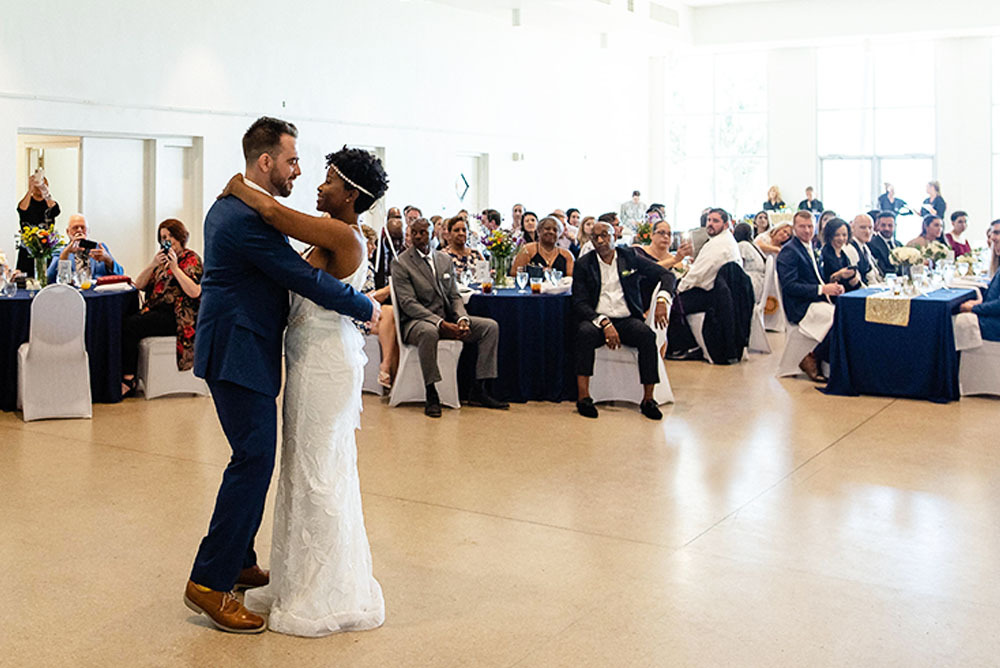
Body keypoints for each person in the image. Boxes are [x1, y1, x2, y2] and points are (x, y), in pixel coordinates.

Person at [185, 118, 379, 636]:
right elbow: (301, 277)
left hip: (252, 350)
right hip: (239, 352)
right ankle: (209, 581)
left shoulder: (240, 206)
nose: (303, 172)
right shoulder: (246, 218)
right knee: (253, 460)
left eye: (320, 172)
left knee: (258, 458)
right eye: (293, 161)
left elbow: (296, 261)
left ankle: (241, 560)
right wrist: (364, 304)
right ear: (266, 162)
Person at [392, 218, 507, 418]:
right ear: (409, 235)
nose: (419, 237)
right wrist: (439, 323)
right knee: (429, 332)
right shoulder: (401, 263)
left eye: (423, 232)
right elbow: (409, 304)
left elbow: (454, 295)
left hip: (446, 318)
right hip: (416, 323)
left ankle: (479, 389)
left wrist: (462, 318)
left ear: (432, 234)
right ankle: (431, 392)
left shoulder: (443, 260)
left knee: (490, 327)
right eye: (415, 233)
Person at [572, 221, 673, 421]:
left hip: (626, 318)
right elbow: (579, 302)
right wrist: (604, 322)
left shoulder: (630, 257)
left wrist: (662, 299)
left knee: (646, 336)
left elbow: (666, 275)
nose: (601, 240)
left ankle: (648, 399)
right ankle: (584, 397)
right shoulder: (584, 264)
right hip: (597, 319)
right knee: (584, 334)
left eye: (605, 235)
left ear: (615, 236)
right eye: (596, 237)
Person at [121, 219, 202, 397]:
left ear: (180, 237)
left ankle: (128, 378)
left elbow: (195, 291)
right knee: (126, 319)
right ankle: (127, 373)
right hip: (158, 312)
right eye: (163, 237)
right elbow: (139, 285)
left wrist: (175, 268)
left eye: (171, 236)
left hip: (179, 315)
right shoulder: (162, 263)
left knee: (130, 325)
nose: (167, 241)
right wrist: (153, 264)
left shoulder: (191, 259)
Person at [666, 208, 749, 363]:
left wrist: (679, 289)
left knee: (672, 303)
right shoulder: (725, 240)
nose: (710, 224)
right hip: (721, 293)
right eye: (709, 220)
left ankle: (687, 347)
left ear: (726, 224)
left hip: (713, 295)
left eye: (715, 221)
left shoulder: (719, 243)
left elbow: (700, 274)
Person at [776, 210, 844, 382]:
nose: (807, 231)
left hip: (815, 301)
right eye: (802, 227)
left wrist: (833, 286)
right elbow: (790, 286)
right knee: (839, 318)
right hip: (800, 306)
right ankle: (813, 357)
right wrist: (822, 289)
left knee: (846, 315)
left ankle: (828, 361)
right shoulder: (789, 251)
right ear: (794, 228)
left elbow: (816, 278)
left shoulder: (811, 247)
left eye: (810, 227)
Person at [359, 224, 398, 387]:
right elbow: (364, 297)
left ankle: (390, 374)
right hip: (354, 316)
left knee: (395, 325)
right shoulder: (359, 266)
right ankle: (386, 369)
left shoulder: (367, 266)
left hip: (366, 312)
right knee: (389, 315)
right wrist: (389, 289)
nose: (374, 247)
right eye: (371, 243)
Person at [45, 213, 124, 284]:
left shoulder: (99, 248)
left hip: (98, 293)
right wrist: (64, 256)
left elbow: (120, 274)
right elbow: (48, 279)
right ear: (68, 232)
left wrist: (108, 260)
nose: (79, 230)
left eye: (83, 228)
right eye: (75, 228)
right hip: (73, 294)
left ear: (88, 231)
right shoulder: (61, 251)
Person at [959, 219, 1000, 340]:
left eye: (997, 233)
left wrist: (974, 308)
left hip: (995, 324)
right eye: (993, 233)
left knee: (951, 323)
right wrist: (980, 303)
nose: (993, 238)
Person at [16, 170, 60, 277]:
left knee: (46, 276)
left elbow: (55, 209)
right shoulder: (27, 202)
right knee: (26, 278)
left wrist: (45, 191)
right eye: (37, 186)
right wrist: (30, 188)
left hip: (46, 248)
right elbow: (22, 208)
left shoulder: (49, 203)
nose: (39, 188)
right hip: (27, 249)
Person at [820, 218, 862, 293]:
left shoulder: (844, 254)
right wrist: (838, 275)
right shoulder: (824, 254)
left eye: (844, 235)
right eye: (837, 235)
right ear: (830, 235)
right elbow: (823, 280)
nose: (841, 238)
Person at [374, 207, 405, 288]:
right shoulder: (375, 250)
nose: (397, 243)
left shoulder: (405, 253)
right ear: (385, 235)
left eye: (400, 239)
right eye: (393, 239)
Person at [734, 222, 766, 301]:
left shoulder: (742, 245)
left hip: (750, 282)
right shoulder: (753, 245)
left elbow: (739, 266)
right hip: (760, 281)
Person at [846, 213, 880, 285]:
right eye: (862, 227)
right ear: (852, 228)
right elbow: (857, 280)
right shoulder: (849, 248)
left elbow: (871, 275)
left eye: (870, 228)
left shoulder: (865, 247)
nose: (867, 231)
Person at [869, 210, 902, 276]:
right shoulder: (871, 244)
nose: (887, 228)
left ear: (895, 226)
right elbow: (881, 268)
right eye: (883, 225)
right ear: (877, 226)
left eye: (890, 225)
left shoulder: (899, 244)